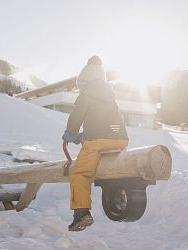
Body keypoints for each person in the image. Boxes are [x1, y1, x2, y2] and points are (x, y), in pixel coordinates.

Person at [62, 56, 129, 231]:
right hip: (120, 140)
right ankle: (121, 195)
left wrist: (71, 133)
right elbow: (106, 122)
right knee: (113, 168)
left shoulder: (86, 94)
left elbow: (76, 118)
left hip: (98, 142)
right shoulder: (110, 96)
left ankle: (81, 213)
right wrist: (85, 135)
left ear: (84, 81)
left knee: (80, 174)